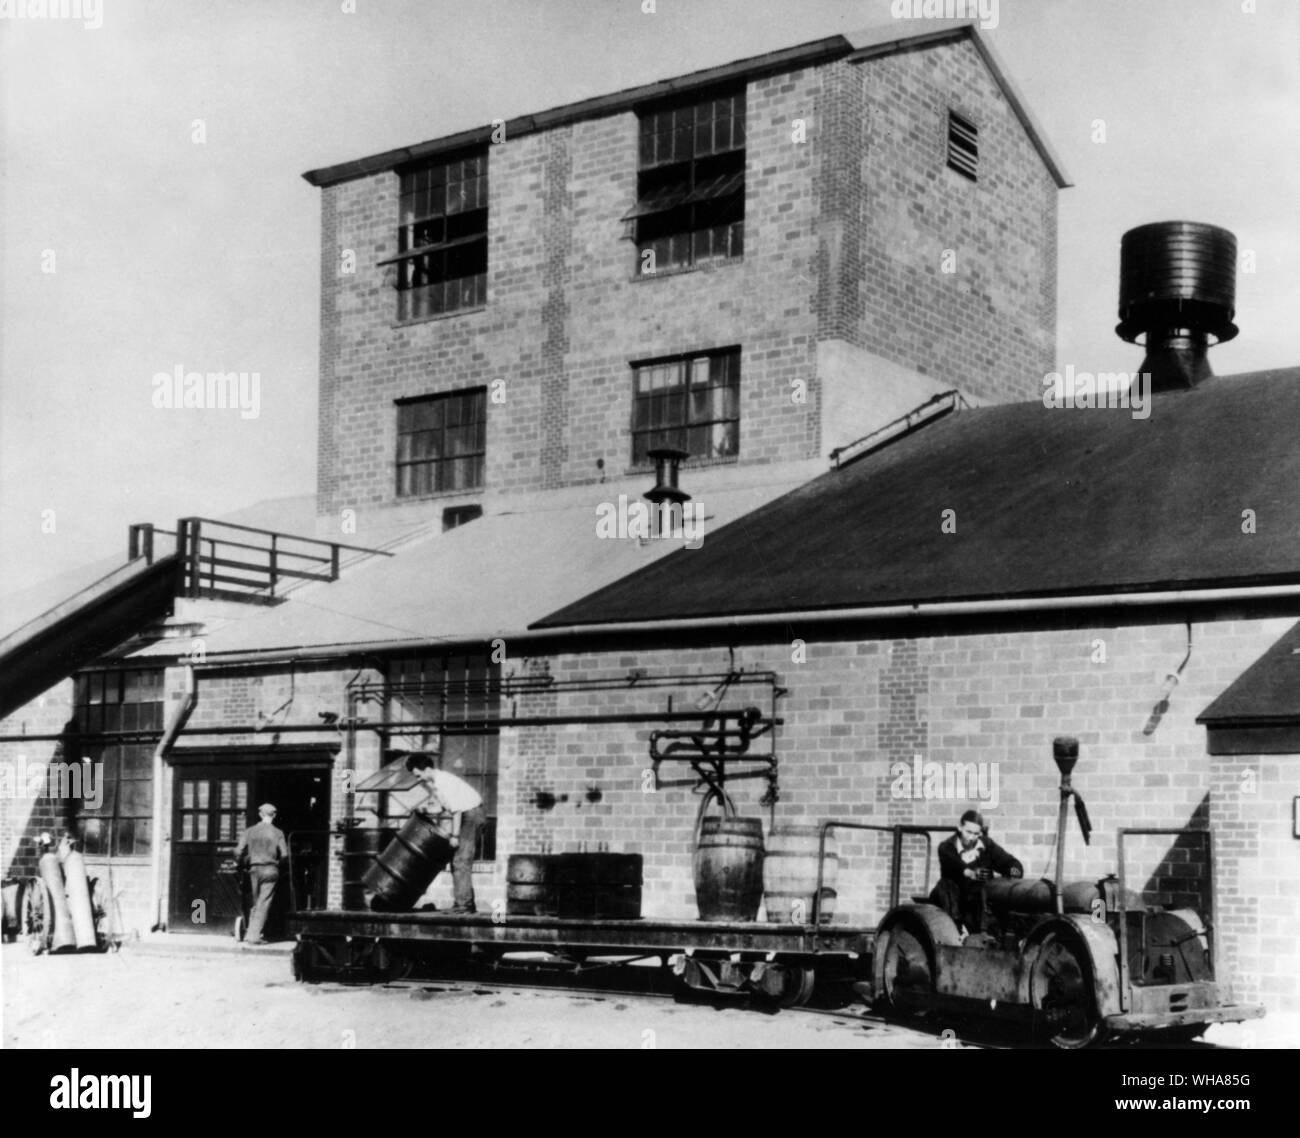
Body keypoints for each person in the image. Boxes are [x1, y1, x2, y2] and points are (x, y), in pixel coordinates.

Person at [404, 753, 485, 914]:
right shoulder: (437, 782)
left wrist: (455, 836)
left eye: (418, 775)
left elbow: (457, 811)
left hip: (471, 815)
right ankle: (464, 903)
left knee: (461, 860)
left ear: (426, 769)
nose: (418, 779)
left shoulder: (443, 782)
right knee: (458, 860)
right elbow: (442, 808)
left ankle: (464, 906)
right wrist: (423, 810)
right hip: (468, 814)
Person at [929, 809, 1023, 935]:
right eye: (968, 832)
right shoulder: (946, 847)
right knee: (945, 885)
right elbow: (957, 865)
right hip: (952, 901)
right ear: (960, 828)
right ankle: (955, 933)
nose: (971, 837)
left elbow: (1008, 862)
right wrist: (972, 873)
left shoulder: (987, 846)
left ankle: (984, 934)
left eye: (976, 834)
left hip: (976, 903)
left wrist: (1014, 870)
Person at [235, 803, 288, 944]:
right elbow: (284, 855)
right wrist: (277, 864)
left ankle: (250, 934)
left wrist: (241, 864)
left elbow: (238, 851)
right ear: (274, 815)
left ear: (260, 815)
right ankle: (254, 936)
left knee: (256, 902)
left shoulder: (249, 831)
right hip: (271, 870)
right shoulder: (278, 833)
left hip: (253, 869)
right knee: (263, 903)